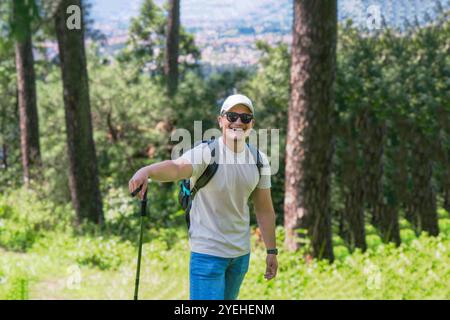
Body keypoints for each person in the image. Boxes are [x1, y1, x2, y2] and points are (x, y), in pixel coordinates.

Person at [128, 94, 278, 300]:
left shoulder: (259, 160)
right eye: (232, 116)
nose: (238, 122)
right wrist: (147, 171)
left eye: (245, 118)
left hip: (240, 256)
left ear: (252, 123)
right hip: (208, 253)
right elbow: (176, 167)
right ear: (221, 120)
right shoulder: (207, 153)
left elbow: (264, 208)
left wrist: (272, 250)